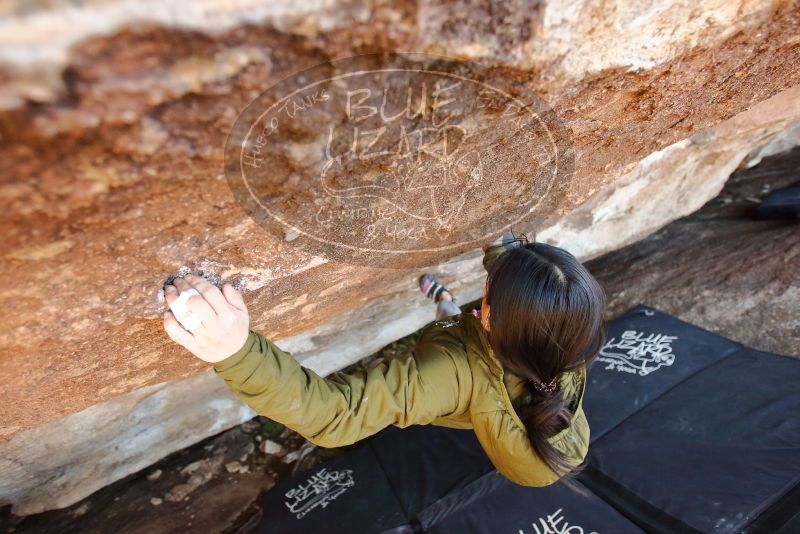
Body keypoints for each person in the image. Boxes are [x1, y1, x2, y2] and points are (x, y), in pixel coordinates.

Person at [163, 232, 607, 487]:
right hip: (478, 349)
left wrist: (235, 352)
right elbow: (535, 285)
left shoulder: (445, 375)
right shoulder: (569, 338)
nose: (489, 280)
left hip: (456, 379)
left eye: (491, 289)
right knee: (452, 318)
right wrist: (504, 251)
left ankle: (448, 308)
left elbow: (337, 415)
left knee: (451, 325)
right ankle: (446, 305)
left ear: (493, 320)